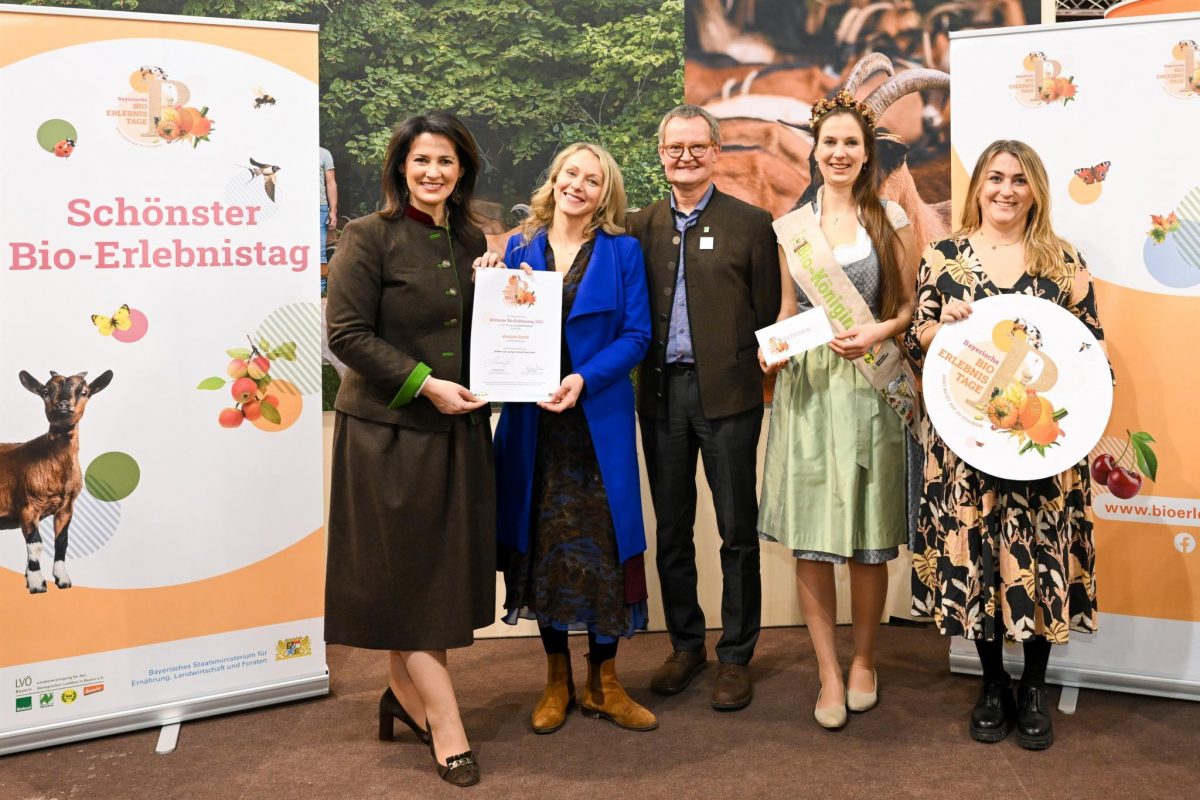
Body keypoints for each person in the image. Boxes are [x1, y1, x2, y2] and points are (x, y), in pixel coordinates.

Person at [905, 139, 1104, 750]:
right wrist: (941, 329)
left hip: (1042, 447)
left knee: (1040, 563)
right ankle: (992, 685)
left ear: (1035, 190)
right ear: (978, 186)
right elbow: (916, 339)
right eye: (995, 178)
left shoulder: (1063, 261)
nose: (1006, 190)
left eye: (1019, 180)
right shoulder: (944, 257)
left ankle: (1034, 686)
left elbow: (1091, 349)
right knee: (983, 562)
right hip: (969, 447)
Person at [324, 111, 495, 787]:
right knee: (411, 581)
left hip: (455, 435)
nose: (433, 173)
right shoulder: (367, 237)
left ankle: (403, 696)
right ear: (401, 168)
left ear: (463, 171)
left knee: (428, 581)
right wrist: (427, 387)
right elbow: (345, 335)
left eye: (446, 162)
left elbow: (484, 334)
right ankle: (446, 725)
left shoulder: (472, 241)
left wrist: (500, 286)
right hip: (387, 437)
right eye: (421, 161)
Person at [757, 90, 917, 730]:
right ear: (815, 151)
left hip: (869, 387)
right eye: (831, 143)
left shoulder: (892, 221)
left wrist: (878, 333)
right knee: (814, 540)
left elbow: (906, 310)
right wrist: (775, 350)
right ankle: (827, 671)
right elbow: (788, 309)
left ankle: (864, 661)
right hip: (810, 390)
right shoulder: (792, 227)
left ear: (866, 151)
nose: (841, 153)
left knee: (868, 540)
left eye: (852, 143)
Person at [491, 142, 656, 734]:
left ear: (604, 193)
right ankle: (557, 678)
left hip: (596, 420)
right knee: (544, 546)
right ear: (554, 180)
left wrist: (583, 378)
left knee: (604, 549)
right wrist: (491, 278)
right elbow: (496, 325)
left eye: (592, 179)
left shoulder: (623, 251)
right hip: (535, 426)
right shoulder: (516, 247)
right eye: (570, 174)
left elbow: (637, 335)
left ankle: (605, 683)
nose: (578, 186)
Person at [627, 105, 781, 711]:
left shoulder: (752, 224)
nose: (685, 157)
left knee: (737, 532)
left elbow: (770, 313)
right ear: (661, 153)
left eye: (697, 147)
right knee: (671, 529)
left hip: (731, 398)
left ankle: (737, 656)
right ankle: (686, 646)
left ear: (715, 152)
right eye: (674, 148)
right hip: (660, 397)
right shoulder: (638, 227)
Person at [319, 145, 337, 266]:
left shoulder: (324, 153)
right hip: (297, 207)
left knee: (320, 251)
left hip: (320, 207)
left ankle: (321, 285)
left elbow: (331, 183)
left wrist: (333, 211)